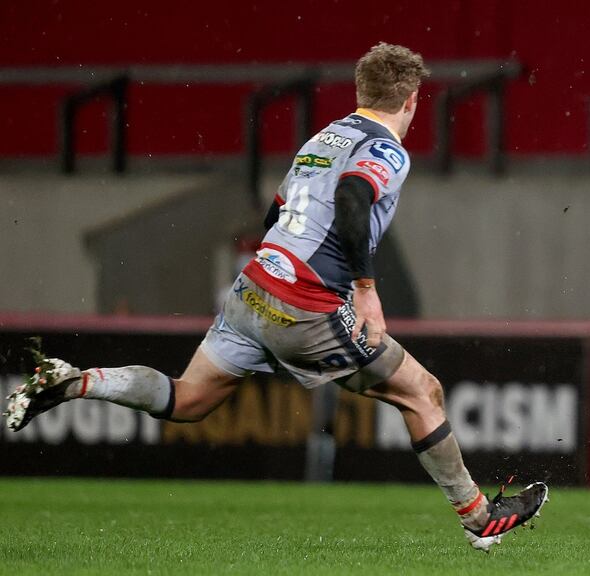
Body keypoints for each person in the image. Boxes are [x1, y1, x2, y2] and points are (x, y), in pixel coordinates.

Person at [4, 42, 547, 552]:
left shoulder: (322, 138)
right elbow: (355, 195)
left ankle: (77, 381)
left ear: (359, 92)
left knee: (188, 398)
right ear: (412, 100)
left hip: (254, 289)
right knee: (420, 392)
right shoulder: (385, 148)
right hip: (304, 305)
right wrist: (365, 290)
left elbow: (276, 213)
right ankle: (480, 518)